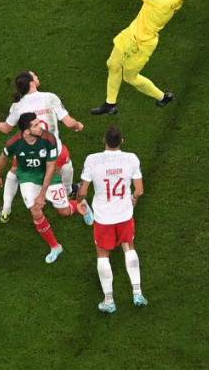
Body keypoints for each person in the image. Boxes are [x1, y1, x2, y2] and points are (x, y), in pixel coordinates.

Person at [90, 0, 199, 115]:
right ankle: (110, 104)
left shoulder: (164, 0)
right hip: (132, 33)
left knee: (130, 77)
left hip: (142, 43)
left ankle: (162, 97)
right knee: (112, 64)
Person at [0, 112, 93, 264]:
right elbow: (3, 157)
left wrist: (42, 194)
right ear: (26, 131)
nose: (40, 126)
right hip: (27, 177)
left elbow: (51, 166)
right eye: (35, 125)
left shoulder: (48, 139)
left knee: (64, 212)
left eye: (38, 123)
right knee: (35, 210)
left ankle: (82, 205)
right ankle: (55, 246)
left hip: (49, 176)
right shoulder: (13, 143)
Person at [0, 71, 83, 223]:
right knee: (65, 163)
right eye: (35, 76)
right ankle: (69, 192)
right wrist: (78, 125)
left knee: (14, 171)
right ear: (32, 83)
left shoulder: (17, 106)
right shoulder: (50, 97)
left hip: (30, 153)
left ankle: (6, 210)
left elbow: (6, 128)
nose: (38, 77)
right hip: (54, 153)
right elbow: (69, 123)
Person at [77, 125, 146, 313]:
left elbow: (83, 191)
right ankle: (137, 292)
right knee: (129, 248)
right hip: (124, 214)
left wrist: (79, 202)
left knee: (103, 255)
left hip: (103, 217)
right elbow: (139, 190)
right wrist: (133, 200)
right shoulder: (131, 158)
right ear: (122, 141)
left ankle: (109, 300)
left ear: (104, 141)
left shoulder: (93, 160)